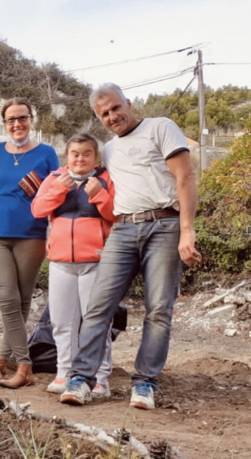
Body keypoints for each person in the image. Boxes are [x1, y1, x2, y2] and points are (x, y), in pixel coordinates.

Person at [60, 83, 201, 410]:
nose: (112, 116)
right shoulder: (108, 150)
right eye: (104, 113)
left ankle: (145, 383)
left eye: (115, 108)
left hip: (165, 224)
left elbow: (185, 178)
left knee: (159, 309)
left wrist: (187, 230)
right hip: (123, 229)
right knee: (98, 305)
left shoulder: (160, 127)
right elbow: (79, 169)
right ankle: (81, 379)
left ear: (129, 103)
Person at [0, 97, 60, 388]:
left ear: (31, 119)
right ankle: (24, 366)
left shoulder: (47, 153)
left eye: (22, 117)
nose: (17, 124)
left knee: (22, 301)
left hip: (32, 234)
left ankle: (0, 361)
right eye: (11, 119)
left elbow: (56, 194)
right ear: (4, 123)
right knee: (7, 298)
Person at [31, 133, 116, 398]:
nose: (80, 158)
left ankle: (100, 378)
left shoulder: (104, 179)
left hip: (95, 262)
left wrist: (99, 195)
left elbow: (116, 213)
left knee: (95, 322)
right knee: (61, 322)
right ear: (67, 156)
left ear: (95, 157)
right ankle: (64, 372)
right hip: (60, 262)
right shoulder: (55, 179)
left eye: (86, 153)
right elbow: (37, 209)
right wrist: (60, 189)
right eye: (75, 154)